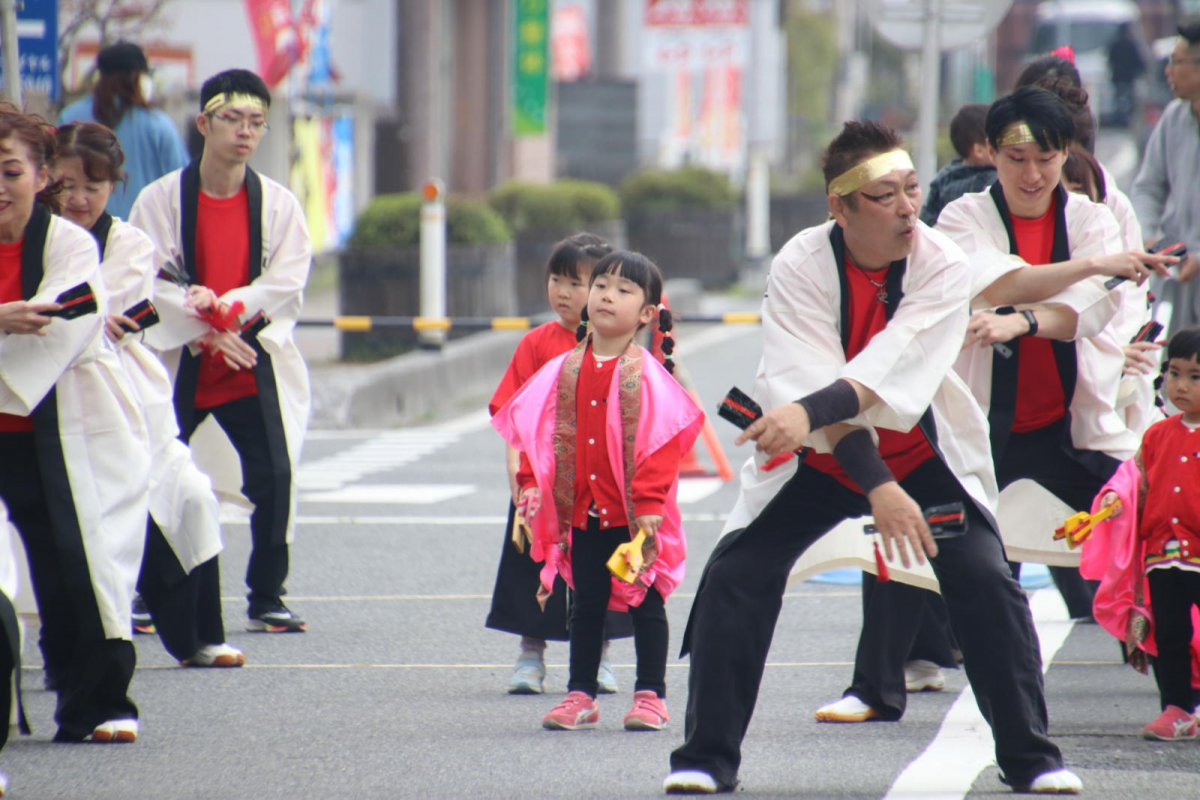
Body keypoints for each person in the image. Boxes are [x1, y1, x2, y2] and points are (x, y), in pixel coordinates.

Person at [663, 120, 1082, 795]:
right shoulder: (799, 263)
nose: (908, 208)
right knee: (735, 578)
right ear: (841, 207)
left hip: (920, 454)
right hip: (819, 461)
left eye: (912, 189)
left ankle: (1032, 758)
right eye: (886, 196)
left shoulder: (941, 262)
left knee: (984, 578)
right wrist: (869, 478)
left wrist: (820, 425)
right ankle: (705, 759)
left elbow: (888, 373)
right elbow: (815, 389)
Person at [130, 69, 313, 633]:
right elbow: (143, 279)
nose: (245, 131)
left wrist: (229, 308)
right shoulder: (161, 200)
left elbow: (287, 281)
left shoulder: (278, 204)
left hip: (247, 360)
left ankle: (267, 594)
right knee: (155, 472)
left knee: (275, 476)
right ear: (204, 123)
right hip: (180, 360)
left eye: (256, 121)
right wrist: (204, 327)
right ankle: (149, 590)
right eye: (232, 118)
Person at [54, 121, 242, 668]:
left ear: (114, 185)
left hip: (132, 398)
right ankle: (77, 650)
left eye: (93, 186)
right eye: (67, 185)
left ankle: (201, 636)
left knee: (193, 498)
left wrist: (80, 320)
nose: (79, 198)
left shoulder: (130, 243)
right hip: (64, 404)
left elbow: (98, 311)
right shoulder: (36, 236)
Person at [492, 251, 703, 732]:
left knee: (645, 602)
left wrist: (649, 503)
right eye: (602, 286)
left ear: (647, 313)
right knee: (585, 606)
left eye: (624, 290)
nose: (608, 296)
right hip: (582, 516)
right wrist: (529, 483)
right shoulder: (562, 368)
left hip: (633, 518)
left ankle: (650, 695)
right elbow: (535, 432)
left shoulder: (647, 373)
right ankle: (580, 695)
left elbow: (663, 443)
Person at [0, 104, 151, 742]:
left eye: (11, 171)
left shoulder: (69, 245)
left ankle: (95, 701)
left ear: (40, 177)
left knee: (76, 566)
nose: (1, 187)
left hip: (58, 429)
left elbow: (61, 321)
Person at [486, 233, 636, 694]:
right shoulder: (536, 343)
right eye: (556, 280)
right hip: (542, 481)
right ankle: (530, 655)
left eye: (577, 283)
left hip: (600, 484)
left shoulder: (619, 344)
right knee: (532, 568)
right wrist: (517, 475)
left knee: (601, 572)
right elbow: (513, 414)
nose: (564, 292)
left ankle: (601, 657)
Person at [1090, 327, 1200, 740]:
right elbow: (1134, 481)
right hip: (1163, 552)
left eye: (1195, 377)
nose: (1181, 386)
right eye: (1174, 373)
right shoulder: (1156, 434)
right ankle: (1177, 708)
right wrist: (1113, 500)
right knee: (1169, 634)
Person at [58, 41, 188, 220]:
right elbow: (182, 183)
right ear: (138, 78)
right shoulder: (158, 124)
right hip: (144, 227)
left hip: (79, 224)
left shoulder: (70, 117)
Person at [1131, 23, 1200, 337]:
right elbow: (1148, 186)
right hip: (1178, 274)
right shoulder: (1174, 117)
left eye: (1176, 61)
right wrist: (1149, 237)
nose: (1168, 71)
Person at [918, 103, 995, 227]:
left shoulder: (944, 175)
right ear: (979, 150)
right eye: (997, 143)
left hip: (944, 236)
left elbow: (926, 220)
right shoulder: (994, 179)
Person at [1108, 21, 1147, 128]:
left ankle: (1118, 119)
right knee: (1129, 101)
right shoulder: (1131, 45)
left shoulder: (1115, 44)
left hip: (1118, 78)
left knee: (1119, 100)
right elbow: (1138, 62)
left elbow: (1110, 60)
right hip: (1128, 78)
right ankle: (1126, 119)